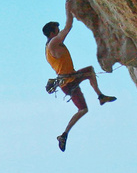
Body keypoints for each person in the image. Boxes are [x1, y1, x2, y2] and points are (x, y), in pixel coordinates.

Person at [43, 11, 116, 151]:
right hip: (68, 82)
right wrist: (68, 8)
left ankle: (100, 96)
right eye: (56, 30)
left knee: (89, 71)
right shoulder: (53, 43)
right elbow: (68, 27)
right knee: (82, 109)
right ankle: (64, 135)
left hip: (70, 78)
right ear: (52, 33)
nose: (59, 32)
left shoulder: (50, 46)